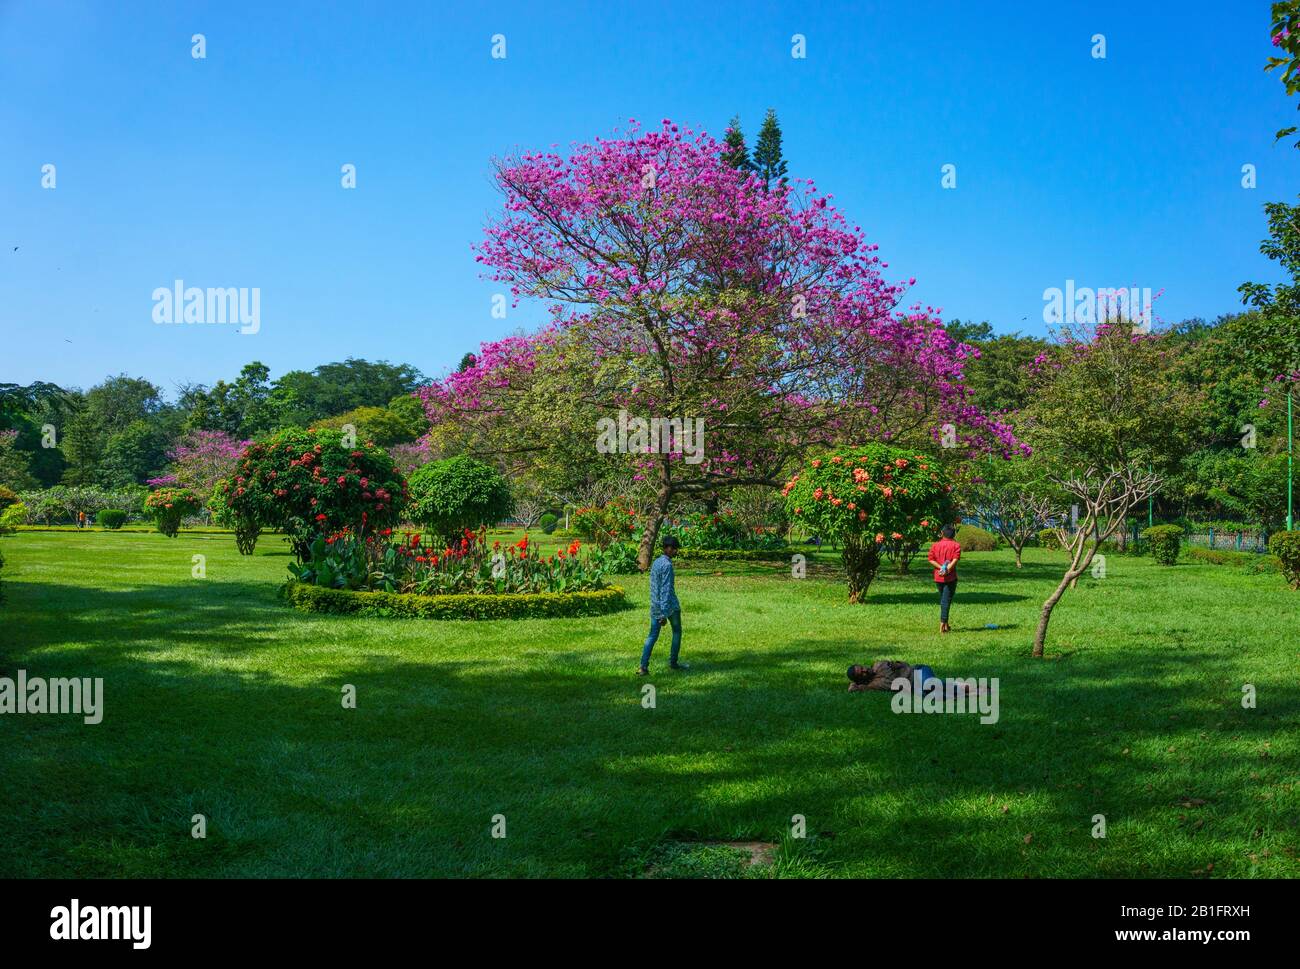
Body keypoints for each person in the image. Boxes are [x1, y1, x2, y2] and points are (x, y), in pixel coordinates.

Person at [638, 535, 688, 675]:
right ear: (668, 548)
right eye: (674, 549)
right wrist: (664, 614)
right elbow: (665, 590)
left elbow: (655, 588)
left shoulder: (656, 562)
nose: (675, 552)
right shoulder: (667, 565)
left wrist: (658, 609)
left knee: (652, 636)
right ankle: (673, 663)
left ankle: (643, 666)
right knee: (677, 631)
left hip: (655, 605)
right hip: (669, 606)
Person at [927, 524, 962, 633]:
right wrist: (948, 569)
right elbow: (955, 560)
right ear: (954, 534)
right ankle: (942, 624)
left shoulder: (935, 545)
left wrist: (941, 568)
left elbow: (931, 559)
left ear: (942, 533)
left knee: (944, 599)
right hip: (950, 578)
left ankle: (946, 625)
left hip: (938, 577)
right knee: (946, 600)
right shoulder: (956, 546)